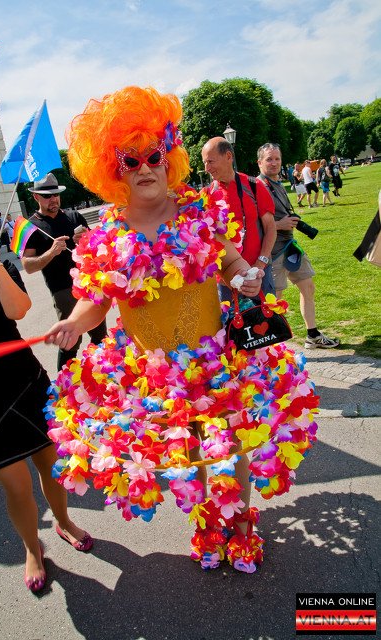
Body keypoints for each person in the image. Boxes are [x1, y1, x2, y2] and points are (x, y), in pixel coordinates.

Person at [43, 86, 319, 574]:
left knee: (231, 446)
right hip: (153, 375)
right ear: (112, 170)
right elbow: (95, 301)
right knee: (189, 451)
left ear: (167, 157)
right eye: (130, 160)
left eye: (154, 156)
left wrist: (246, 276)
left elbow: (230, 262)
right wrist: (72, 322)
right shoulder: (107, 234)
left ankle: (239, 524)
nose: (145, 168)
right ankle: (207, 521)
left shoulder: (196, 209)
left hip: (216, 362)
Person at [0, 202, 92, 593]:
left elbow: (19, 309)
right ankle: (33, 547)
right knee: (16, 487)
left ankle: (64, 522)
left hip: (26, 384)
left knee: (52, 466)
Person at [257, 143, 339, 349]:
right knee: (274, 300)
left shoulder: (277, 184)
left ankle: (313, 335)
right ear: (259, 162)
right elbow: (249, 224)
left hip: (290, 247)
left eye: (277, 158)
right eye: (269, 159)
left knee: (308, 286)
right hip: (272, 252)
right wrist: (279, 225)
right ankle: (271, 349)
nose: (274, 163)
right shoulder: (257, 187)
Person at [21, 173, 107, 370]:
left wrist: (86, 240)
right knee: (70, 341)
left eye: (56, 194)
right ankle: (64, 381)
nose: (53, 199)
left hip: (87, 284)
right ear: (35, 196)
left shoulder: (73, 216)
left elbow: (96, 246)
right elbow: (28, 266)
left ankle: (103, 374)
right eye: (47, 196)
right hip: (62, 290)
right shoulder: (31, 227)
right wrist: (51, 253)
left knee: (100, 336)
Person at [201, 137, 277, 296]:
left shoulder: (254, 186)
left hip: (258, 273)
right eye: (205, 163)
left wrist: (260, 264)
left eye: (210, 162)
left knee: (266, 312)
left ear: (228, 156)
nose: (206, 168)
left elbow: (270, 228)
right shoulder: (206, 195)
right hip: (227, 281)